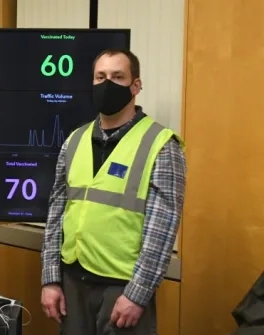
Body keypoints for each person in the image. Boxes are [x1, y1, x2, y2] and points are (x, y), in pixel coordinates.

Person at [40, 49, 187, 335]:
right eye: (101, 76)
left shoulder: (161, 145)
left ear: (135, 86)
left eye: (118, 77)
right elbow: (56, 214)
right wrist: (50, 280)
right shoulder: (75, 140)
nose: (107, 84)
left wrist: (137, 294)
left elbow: (162, 230)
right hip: (72, 283)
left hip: (122, 290)